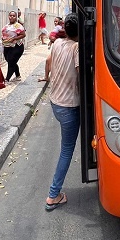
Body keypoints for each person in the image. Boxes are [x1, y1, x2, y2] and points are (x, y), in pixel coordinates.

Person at [38, 13, 80, 211]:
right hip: (70, 106)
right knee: (66, 150)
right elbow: (82, 76)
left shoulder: (57, 44)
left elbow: (48, 62)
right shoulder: (76, 48)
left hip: (56, 103)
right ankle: (53, 195)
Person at [2, 10, 26, 82]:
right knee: (9, 60)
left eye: (14, 16)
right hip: (7, 46)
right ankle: (18, 75)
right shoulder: (7, 25)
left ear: (16, 17)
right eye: (10, 15)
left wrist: (14, 38)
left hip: (17, 47)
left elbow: (23, 35)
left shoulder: (18, 26)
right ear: (8, 16)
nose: (12, 17)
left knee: (11, 62)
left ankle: (7, 79)